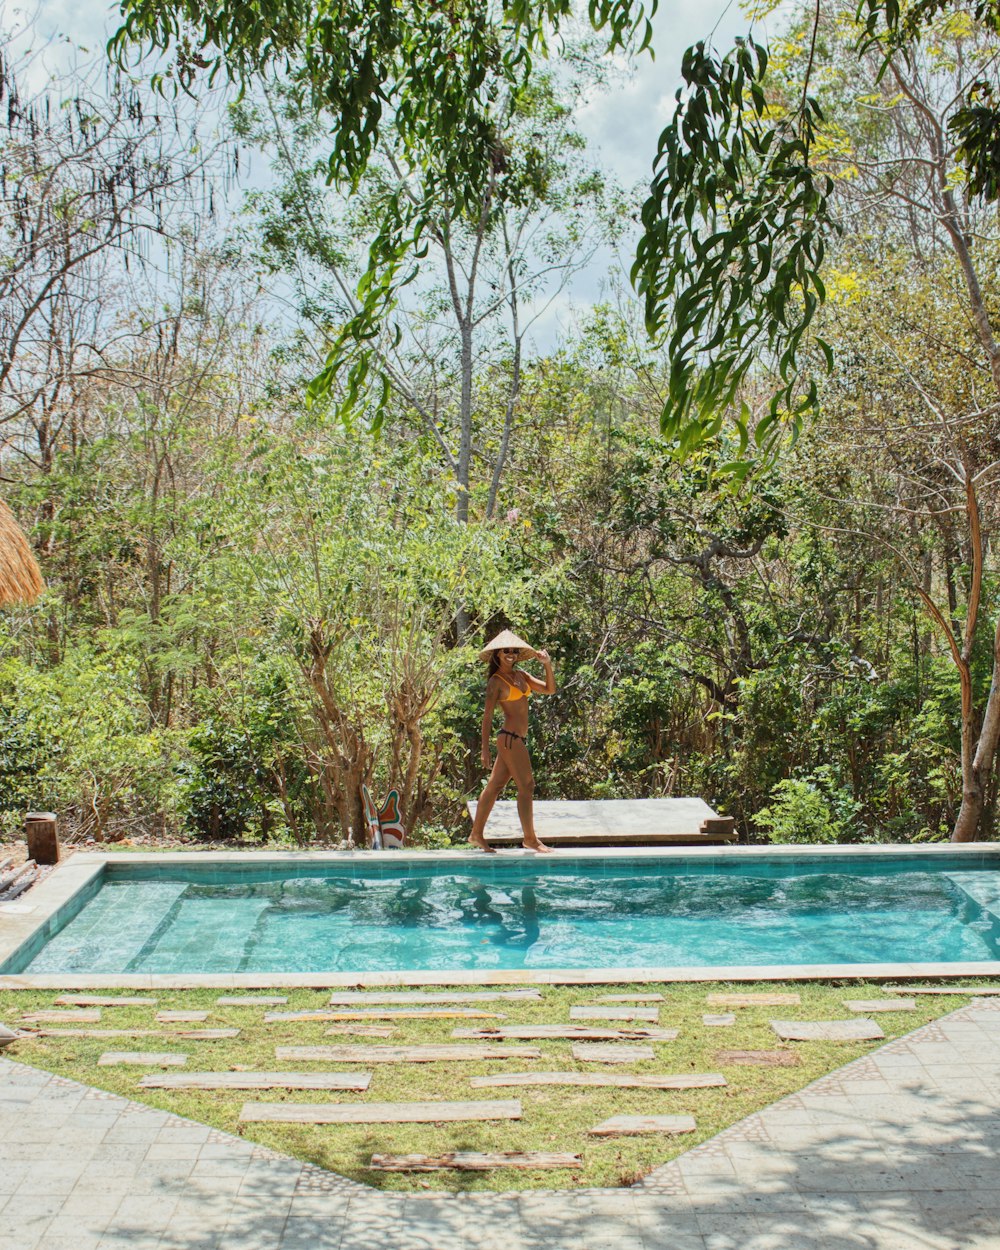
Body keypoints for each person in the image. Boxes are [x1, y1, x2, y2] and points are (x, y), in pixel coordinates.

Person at [469, 629, 556, 853]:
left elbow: (549, 689)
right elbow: (487, 717)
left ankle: (476, 834)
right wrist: (485, 750)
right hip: (509, 739)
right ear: (498, 654)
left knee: (495, 786)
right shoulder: (495, 683)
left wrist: (547, 664)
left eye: (514, 651)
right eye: (506, 651)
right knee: (527, 786)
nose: (510, 654)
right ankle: (530, 838)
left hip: (514, 739)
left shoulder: (522, 676)